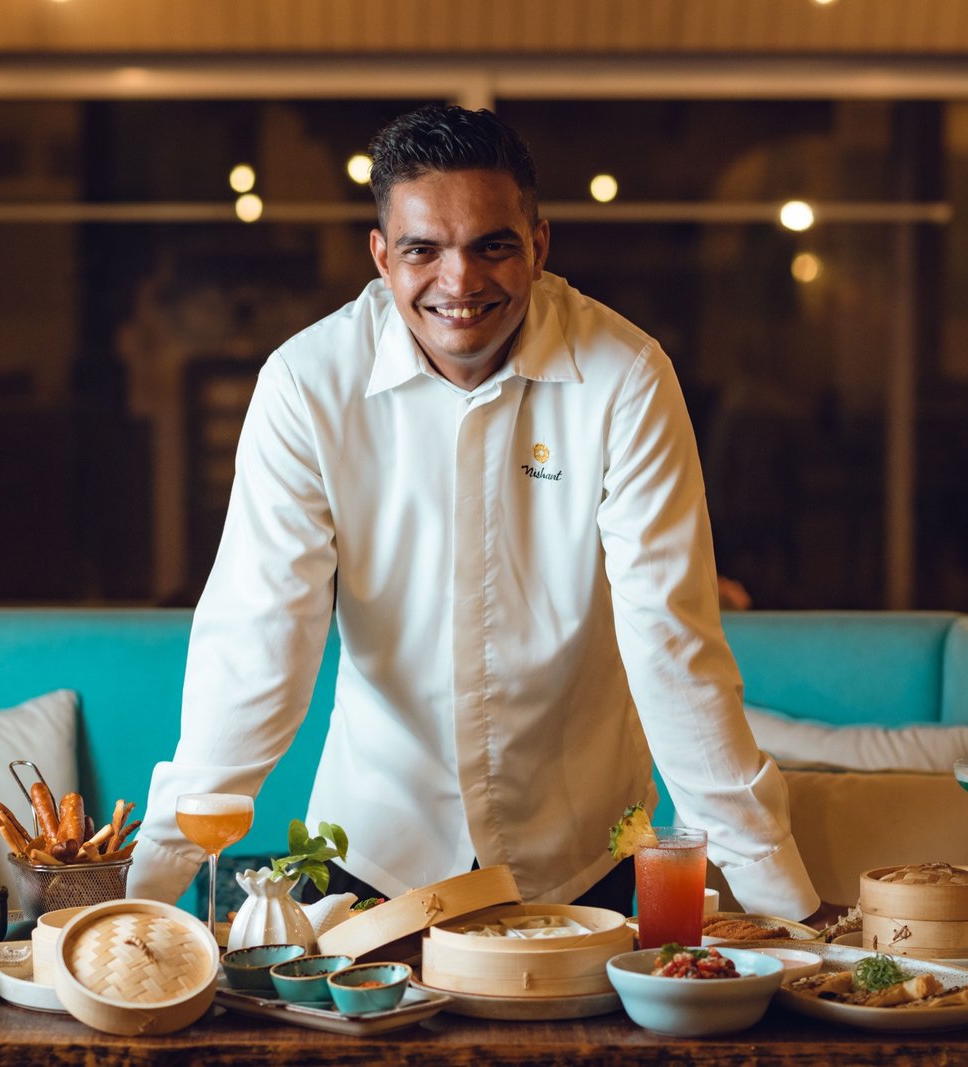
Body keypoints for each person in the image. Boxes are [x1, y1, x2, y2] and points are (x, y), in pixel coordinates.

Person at [129, 104, 822, 923]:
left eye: (493, 246)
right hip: (374, 850)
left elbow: (671, 643)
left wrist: (785, 909)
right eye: (423, 249)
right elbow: (259, 636)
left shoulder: (626, 378)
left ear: (539, 246)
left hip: (577, 857)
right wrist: (140, 899)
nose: (459, 282)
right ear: (382, 256)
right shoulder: (307, 385)